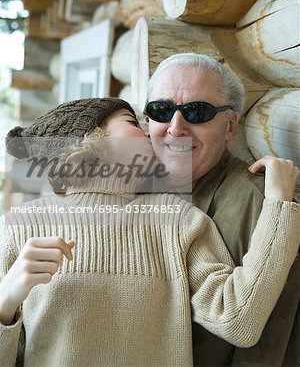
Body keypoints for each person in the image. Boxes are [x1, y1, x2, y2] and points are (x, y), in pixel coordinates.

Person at [0, 97, 299, 367]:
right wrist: (5, 302)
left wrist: (279, 203)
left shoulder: (178, 221)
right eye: (132, 123)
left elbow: (238, 319)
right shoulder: (19, 227)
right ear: (91, 136)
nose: (147, 133)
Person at [145, 53, 300, 366]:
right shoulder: (130, 189)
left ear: (230, 126)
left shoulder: (263, 207)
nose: (175, 128)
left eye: (197, 112)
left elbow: (270, 342)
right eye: (161, 110)